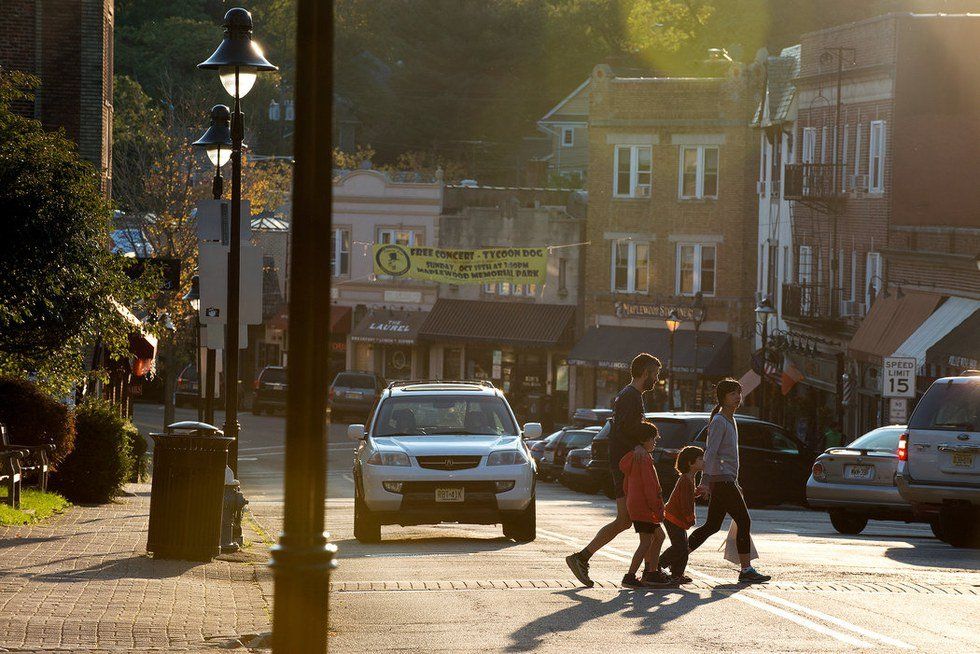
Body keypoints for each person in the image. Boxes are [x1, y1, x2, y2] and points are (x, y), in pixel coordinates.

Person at [565, 353, 662, 587]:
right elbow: (622, 430)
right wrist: (637, 446)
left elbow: (622, 428)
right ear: (645, 373)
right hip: (626, 467)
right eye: (655, 374)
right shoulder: (631, 396)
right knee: (631, 521)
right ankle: (646, 572)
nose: (657, 380)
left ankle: (648, 571)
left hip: (624, 465)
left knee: (628, 522)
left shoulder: (629, 395)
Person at [684, 378, 771, 584]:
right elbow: (711, 452)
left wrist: (735, 481)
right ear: (722, 398)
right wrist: (705, 481)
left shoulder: (730, 420)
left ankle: (673, 558)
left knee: (712, 526)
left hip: (727, 479)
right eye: (733, 394)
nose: (738, 397)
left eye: (739, 393)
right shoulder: (719, 421)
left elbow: (729, 456)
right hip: (721, 481)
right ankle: (746, 569)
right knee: (744, 521)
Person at [620, 421, 673, 588]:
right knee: (646, 542)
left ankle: (652, 571)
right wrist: (657, 507)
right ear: (644, 440)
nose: (655, 443)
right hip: (644, 506)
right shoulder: (643, 458)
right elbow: (649, 485)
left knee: (659, 537)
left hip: (636, 504)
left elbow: (626, 484)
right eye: (653, 439)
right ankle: (631, 576)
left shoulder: (635, 456)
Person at [657, 445, 705, 583]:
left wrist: (696, 492)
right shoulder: (685, 479)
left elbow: (687, 496)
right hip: (673, 518)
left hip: (676, 518)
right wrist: (690, 518)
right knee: (680, 547)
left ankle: (677, 574)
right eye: (701, 459)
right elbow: (684, 502)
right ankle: (657, 565)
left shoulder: (689, 477)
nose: (704, 461)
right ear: (690, 463)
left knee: (683, 547)